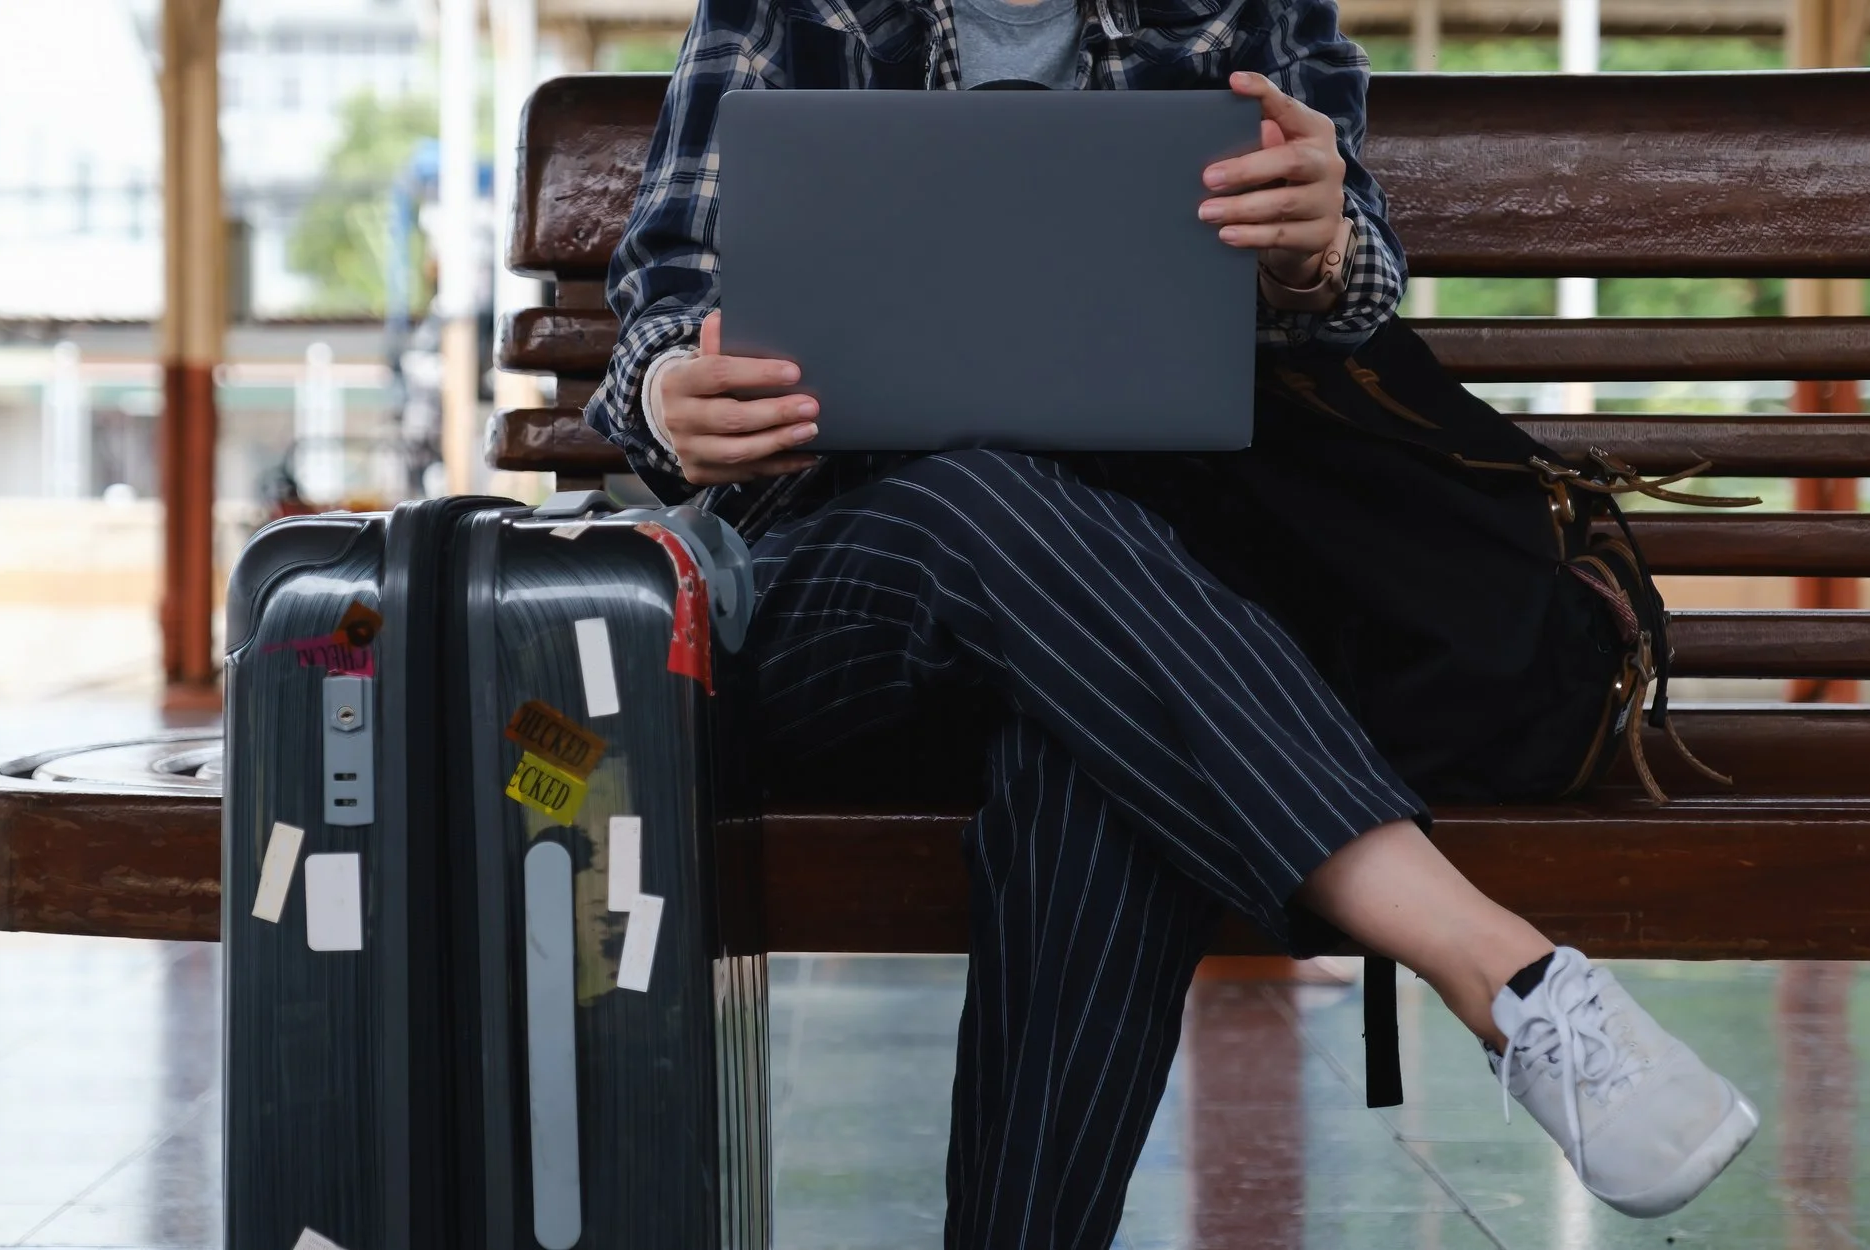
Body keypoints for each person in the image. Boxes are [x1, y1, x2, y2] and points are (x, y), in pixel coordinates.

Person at [581, 0, 1761, 1241]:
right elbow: (666, 290)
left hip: (1129, 637)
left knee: (1084, 745)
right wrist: (669, 393)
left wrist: (1314, 249)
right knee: (985, 506)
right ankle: (1498, 966)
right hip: (841, 607)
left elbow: (1348, 278)